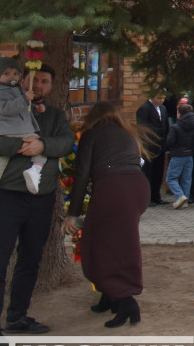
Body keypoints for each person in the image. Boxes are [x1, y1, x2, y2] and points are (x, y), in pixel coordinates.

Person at [0, 63, 74, 346]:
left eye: (45, 82)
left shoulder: (56, 115)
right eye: (33, 81)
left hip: (41, 197)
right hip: (6, 195)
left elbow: (65, 143)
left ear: (51, 86)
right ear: (22, 82)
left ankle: (17, 317)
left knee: (30, 259)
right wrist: (25, 147)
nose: (38, 86)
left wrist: (43, 146)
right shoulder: (0, 107)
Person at [61, 102, 151, 327]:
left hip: (113, 188)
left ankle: (125, 299)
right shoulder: (128, 134)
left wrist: (73, 214)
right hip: (138, 188)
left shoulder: (91, 135)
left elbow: (81, 176)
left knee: (100, 245)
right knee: (122, 242)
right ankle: (110, 294)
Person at [0, 59, 46, 213]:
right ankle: (35, 170)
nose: (11, 76)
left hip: (14, 128)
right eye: (6, 74)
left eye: (15, 73)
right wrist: (25, 98)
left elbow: (23, 111)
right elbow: (7, 109)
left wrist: (35, 108)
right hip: (11, 129)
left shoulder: (15, 89)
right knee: (39, 145)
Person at [135, 91, 170, 206]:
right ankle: (147, 198)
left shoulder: (163, 109)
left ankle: (156, 196)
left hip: (161, 146)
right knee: (148, 173)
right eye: (159, 98)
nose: (161, 100)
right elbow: (142, 129)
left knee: (158, 172)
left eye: (163, 98)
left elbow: (166, 126)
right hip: (149, 147)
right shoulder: (144, 109)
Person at [164, 102, 194, 209]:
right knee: (187, 178)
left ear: (180, 114)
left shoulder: (175, 127)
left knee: (171, 178)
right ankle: (185, 200)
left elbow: (170, 141)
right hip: (189, 155)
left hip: (178, 154)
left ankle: (180, 196)